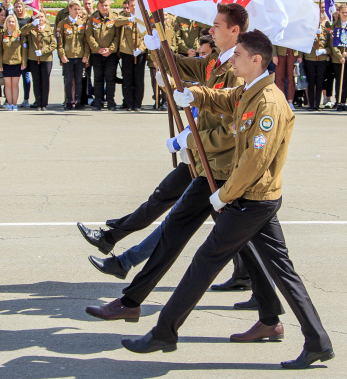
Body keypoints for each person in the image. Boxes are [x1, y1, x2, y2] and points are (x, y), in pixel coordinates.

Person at [122, 30, 334, 369]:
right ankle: (317, 341)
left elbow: (254, 161)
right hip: (257, 198)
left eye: (238, 54)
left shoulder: (268, 104)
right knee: (283, 272)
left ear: (256, 60)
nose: (231, 59)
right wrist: (193, 94)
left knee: (204, 262)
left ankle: (164, 332)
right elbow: (225, 99)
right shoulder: (251, 91)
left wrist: (223, 195)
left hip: (251, 200)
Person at [82, 4, 284, 335]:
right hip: (208, 164)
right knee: (238, 242)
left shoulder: (238, 68)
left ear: (235, 31)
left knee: (178, 232)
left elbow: (229, 122)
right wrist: (155, 44)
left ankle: (131, 301)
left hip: (219, 167)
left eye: (217, 25)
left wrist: (189, 139)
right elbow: (179, 66)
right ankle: (271, 318)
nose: (212, 29)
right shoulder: (217, 62)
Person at [114, 0, 147, 111]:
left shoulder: (143, 18)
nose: (133, 8)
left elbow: (147, 36)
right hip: (127, 52)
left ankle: (137, 103)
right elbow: (116, 22)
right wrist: (129, 19)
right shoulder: (124, 17)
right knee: (127, 79)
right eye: (131, 6)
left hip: (139, 53)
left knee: (138, 79)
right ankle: (129, 103)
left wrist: (141, 49)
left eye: (135, 6)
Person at [86, 0, 119, 110]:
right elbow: (89, 35)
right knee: (98, 79)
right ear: (98, 6)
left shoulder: (115, 17)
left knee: (110, 79)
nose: (104, 8)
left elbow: (118, 36)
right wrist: (97, 48)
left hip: (111, 54)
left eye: (106, 5)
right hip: (97, 54)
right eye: (102, 6)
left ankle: (111, 101)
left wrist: (110, 49)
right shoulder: (93, 18)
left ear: (109, 5)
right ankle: (98, 101)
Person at [57, 0, 88, 110]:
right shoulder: (63, 24)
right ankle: (69, 101)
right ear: (69, 9)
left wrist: (85, 55)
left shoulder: (82, 23)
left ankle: (78, 101)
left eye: (78, 9)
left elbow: (85, 42)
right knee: (69, 80)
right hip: (68, 57)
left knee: (79, 80)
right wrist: (62, 55)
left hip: (79, 56)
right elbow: (60, 42)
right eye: (75, 9)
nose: (77, 11)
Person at [24, 9, 56, 110]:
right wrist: (32, 25)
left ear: (45, 18)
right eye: (38, 17)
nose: (40, 19)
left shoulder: (49, 29)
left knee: (45, 81)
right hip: (34, 58)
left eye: (42, 17)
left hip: (46, 58)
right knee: (36, 81)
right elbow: (22, 32)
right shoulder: (32, 29)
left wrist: (43, 51)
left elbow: (54, 44)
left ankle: (44, 104)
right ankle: (38, 103)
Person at [330, 3, 347, 111]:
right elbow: (333, 43)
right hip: (338, 58)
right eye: (343, 12)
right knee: (339, 80)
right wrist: (339, 55)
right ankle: (338, 101)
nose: (345, 14)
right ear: (339, 13)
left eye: (346, 12)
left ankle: (345, 101)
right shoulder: (335, 26)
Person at [301, 16, 329, 111]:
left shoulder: (325, 30)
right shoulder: (308, 29)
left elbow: (329, 46)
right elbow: (302, 44)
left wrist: (324, 51)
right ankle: (311, 104)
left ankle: (317, 104)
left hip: (321, 59)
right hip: (310, 58)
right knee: (311, 83)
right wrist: (301, 56)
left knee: (319, 83)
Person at [0, 14, 23, 110]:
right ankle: (9, 103)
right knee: (8, 84)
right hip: (6, 62)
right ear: (6, 23)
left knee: (15, 84)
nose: (11, 23)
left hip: (17, 62)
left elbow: (23, 50)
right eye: (9, 21)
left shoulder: (19, 34)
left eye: (13, 21)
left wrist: (23, 62)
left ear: (15, 23)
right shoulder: (2, 34)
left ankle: (15, 104)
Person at [11, 0, 33, 109]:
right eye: (16, 7)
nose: (18, 9)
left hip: (25, 51)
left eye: (20, 6)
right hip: (13, 52)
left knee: (25, 75)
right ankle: (9, 99)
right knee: (12, 77)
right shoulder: (12, 19)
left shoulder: (28, 19)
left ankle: (26, 99)